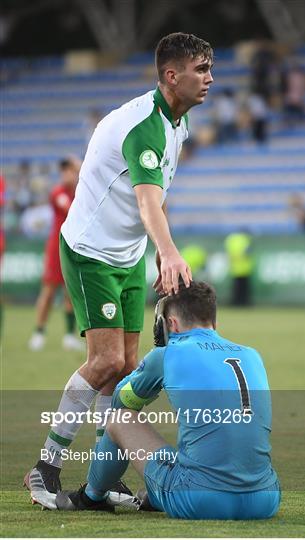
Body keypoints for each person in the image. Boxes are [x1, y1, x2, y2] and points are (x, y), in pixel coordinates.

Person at [24, 32, 214, 503]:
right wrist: (167, 252)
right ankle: (45, 466)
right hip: (91, 252)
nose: (210, 78)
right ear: (172, 76)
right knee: (106, 360)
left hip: (127, 255)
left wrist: (152, 252)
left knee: (127, 368)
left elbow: (152, 201)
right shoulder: (146, 127)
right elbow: (149, 203)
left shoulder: (177, 123)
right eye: (201, 70)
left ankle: (101, 479)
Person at [51, 281, 280, 520]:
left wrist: (150, 371)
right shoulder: (252, 355)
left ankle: (91, 496)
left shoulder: (168, 354)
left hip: (200, 500)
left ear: (170, 324)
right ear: (214, 322)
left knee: (119, 419)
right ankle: (158, 493)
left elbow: (121, 402)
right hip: (266, 498)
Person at [28, 157, 83, 351]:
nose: (67, 174)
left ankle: (69, 335)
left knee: (71, 292)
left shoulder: (80, 192)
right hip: (56, 248)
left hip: (74, 247)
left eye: (71, 170)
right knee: (49, 290)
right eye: (65, 171)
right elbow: (72, 210)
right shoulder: (59, 192)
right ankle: (39, 332)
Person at [225, 230, 254, 306]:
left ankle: (235, 303)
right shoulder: (245, 240)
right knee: (244, 289)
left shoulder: (231, 240)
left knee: (236, 288)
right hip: (245, 269)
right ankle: (244, 303)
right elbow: (248, 252)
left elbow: (229, 253)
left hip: (235, 268)